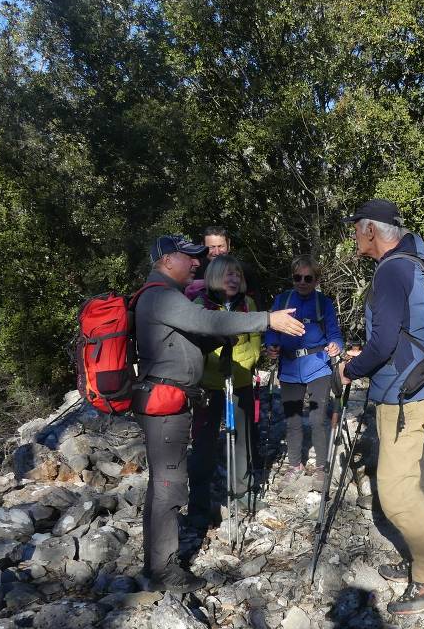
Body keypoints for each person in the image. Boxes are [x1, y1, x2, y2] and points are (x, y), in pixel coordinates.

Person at [133, 235, 304, 594]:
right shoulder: (162, 295)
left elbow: (186, 341)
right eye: (189, 258)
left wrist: (215, 342)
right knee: (169, 484)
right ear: (166, 260)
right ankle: (163, 569)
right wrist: (267, 319)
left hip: (169, 398)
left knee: (165, 482)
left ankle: (157, 562)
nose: (197, 264)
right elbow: (207, 322)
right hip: (165, 402)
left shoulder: (161, 296)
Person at [337, 199, 424, 615]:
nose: (354, 237)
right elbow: (402, 333)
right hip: (420, 383)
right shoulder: (415, 260)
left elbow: (384, 343)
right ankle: (418, 561)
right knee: (403, 481)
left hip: (403, 395)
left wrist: (352, 368)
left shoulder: (390, 271)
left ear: (370, 231)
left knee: (397, 492)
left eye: (356, 230)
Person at [184, 255, 261, 521]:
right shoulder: (200, 306)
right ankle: (199, 505)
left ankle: (241, 494)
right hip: (209, 384)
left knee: (243, 440)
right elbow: (193, 344)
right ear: (215, 277)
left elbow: (255, 342)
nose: (234, 279)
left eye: (237, 275)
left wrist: (246, 363)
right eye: (228, 274)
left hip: (240, 382)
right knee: (203, 444)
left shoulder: (248, 305)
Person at [264, 255, 344, 485]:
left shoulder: (323, 303)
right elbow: (270, 329)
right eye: (297, 277)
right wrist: (271, 345)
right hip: (289, 367)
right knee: (293, 419)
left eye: (308, 278)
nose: (302, 282)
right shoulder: (282, 299)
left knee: (318, 418)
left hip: (318, 365)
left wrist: (336, 346)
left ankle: (321, 466)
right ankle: (294, 464)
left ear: (317, 280)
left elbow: (335, 333)